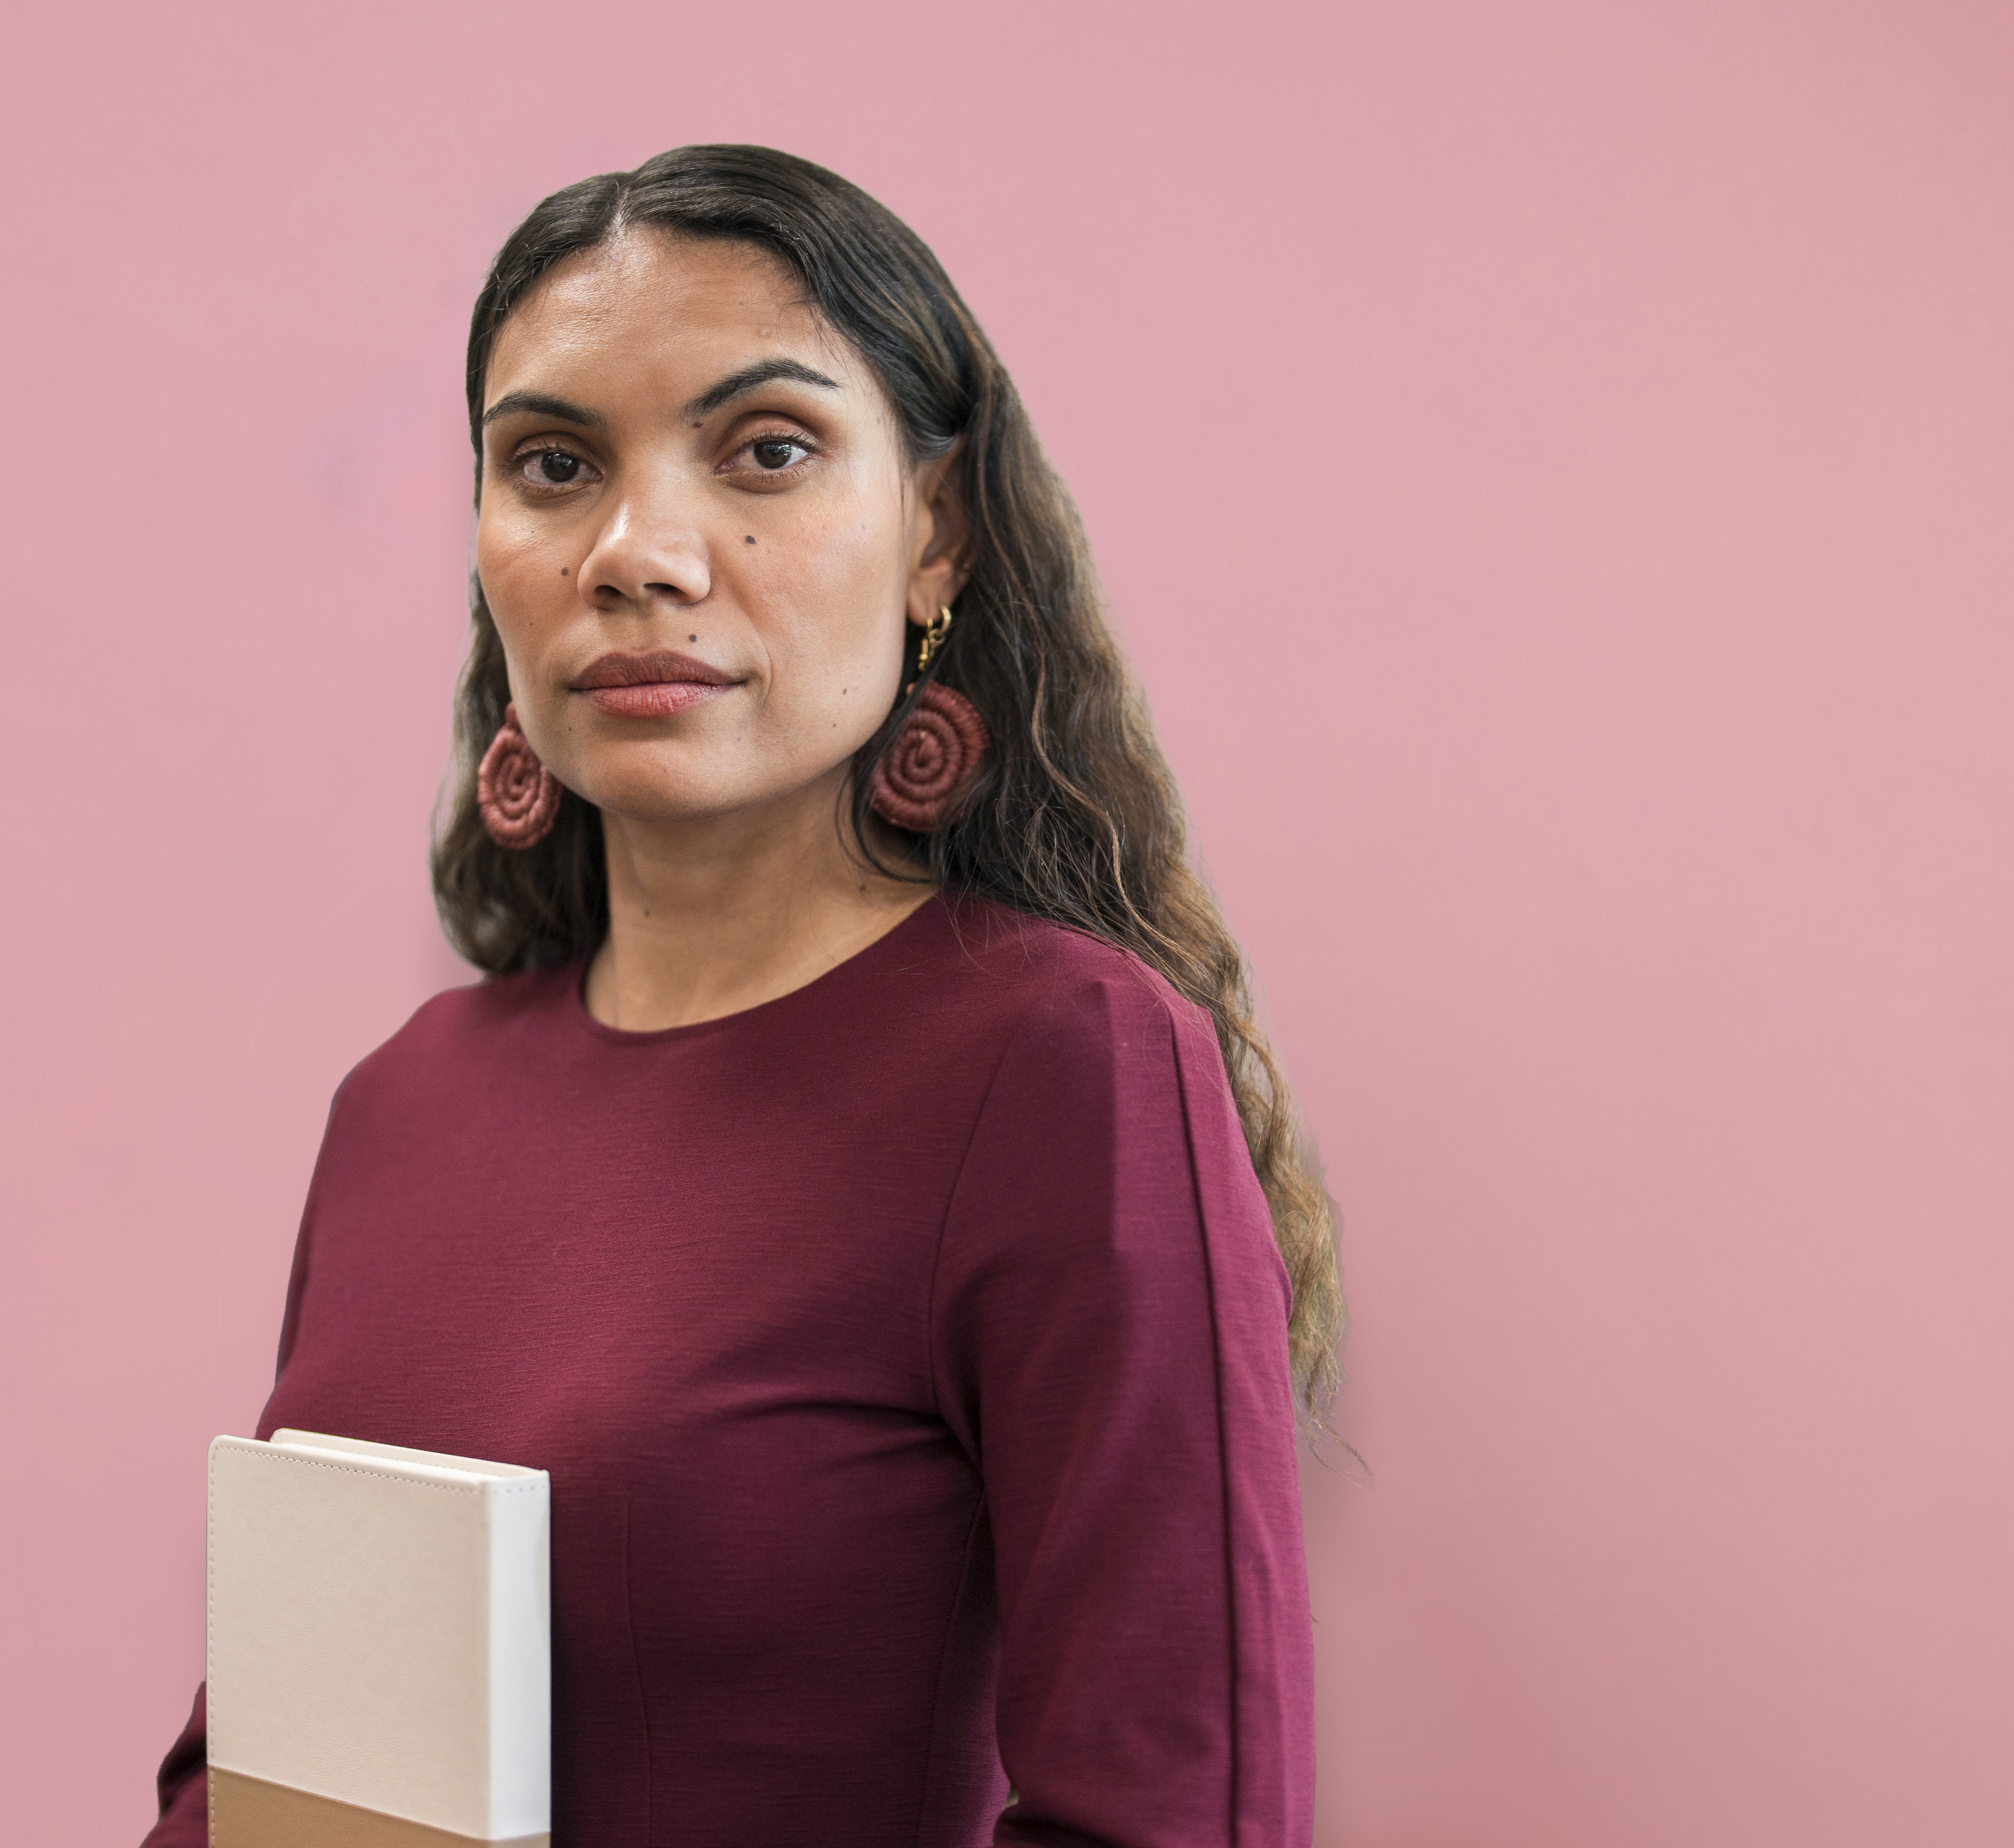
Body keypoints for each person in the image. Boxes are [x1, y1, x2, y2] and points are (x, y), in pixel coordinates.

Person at [140, 144, 1344, 1848]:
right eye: (552, 463)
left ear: (936, 537)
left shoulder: (1065, 1065)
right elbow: (268, 1785)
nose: (639, 550)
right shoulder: (406, 1100)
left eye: (765, 450)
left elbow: (1173, 1815)